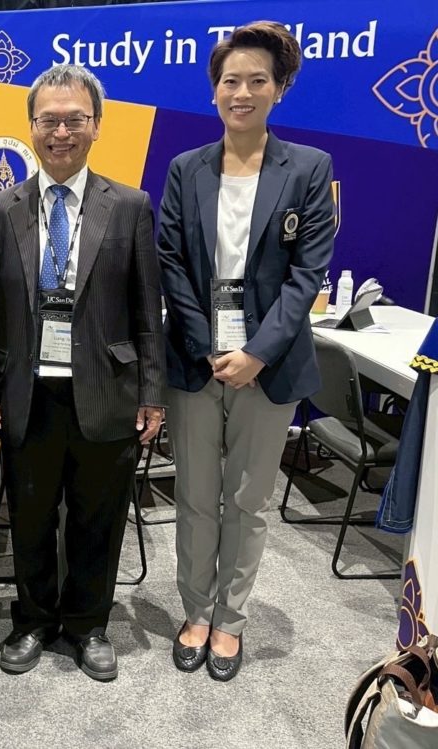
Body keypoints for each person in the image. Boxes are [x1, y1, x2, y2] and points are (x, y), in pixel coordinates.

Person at [0, 64, 165, 681]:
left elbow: (147, 311)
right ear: (30, 126)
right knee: (29, 516)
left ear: (97, 126)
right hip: (26, 393)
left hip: (107, 390)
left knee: (97, 518)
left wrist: (152, 393)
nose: (61, 132)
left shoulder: (129, 206)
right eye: (48, 120)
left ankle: (87, 625)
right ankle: (32, 620)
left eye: (74, 119)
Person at [157, 21, 335, 681]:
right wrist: (207, 346)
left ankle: (230, 619)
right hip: (196, 361)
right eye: (231, 80)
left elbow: (306, 275)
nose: (242, 92)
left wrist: (257, 353)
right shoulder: (186, 169)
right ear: (214, 90)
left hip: (271, 364)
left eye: (257, 80)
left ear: (279, 89)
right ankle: (196, 611)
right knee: (196, 497)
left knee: (250, 500)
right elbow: (171, 262)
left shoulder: (309, 169)